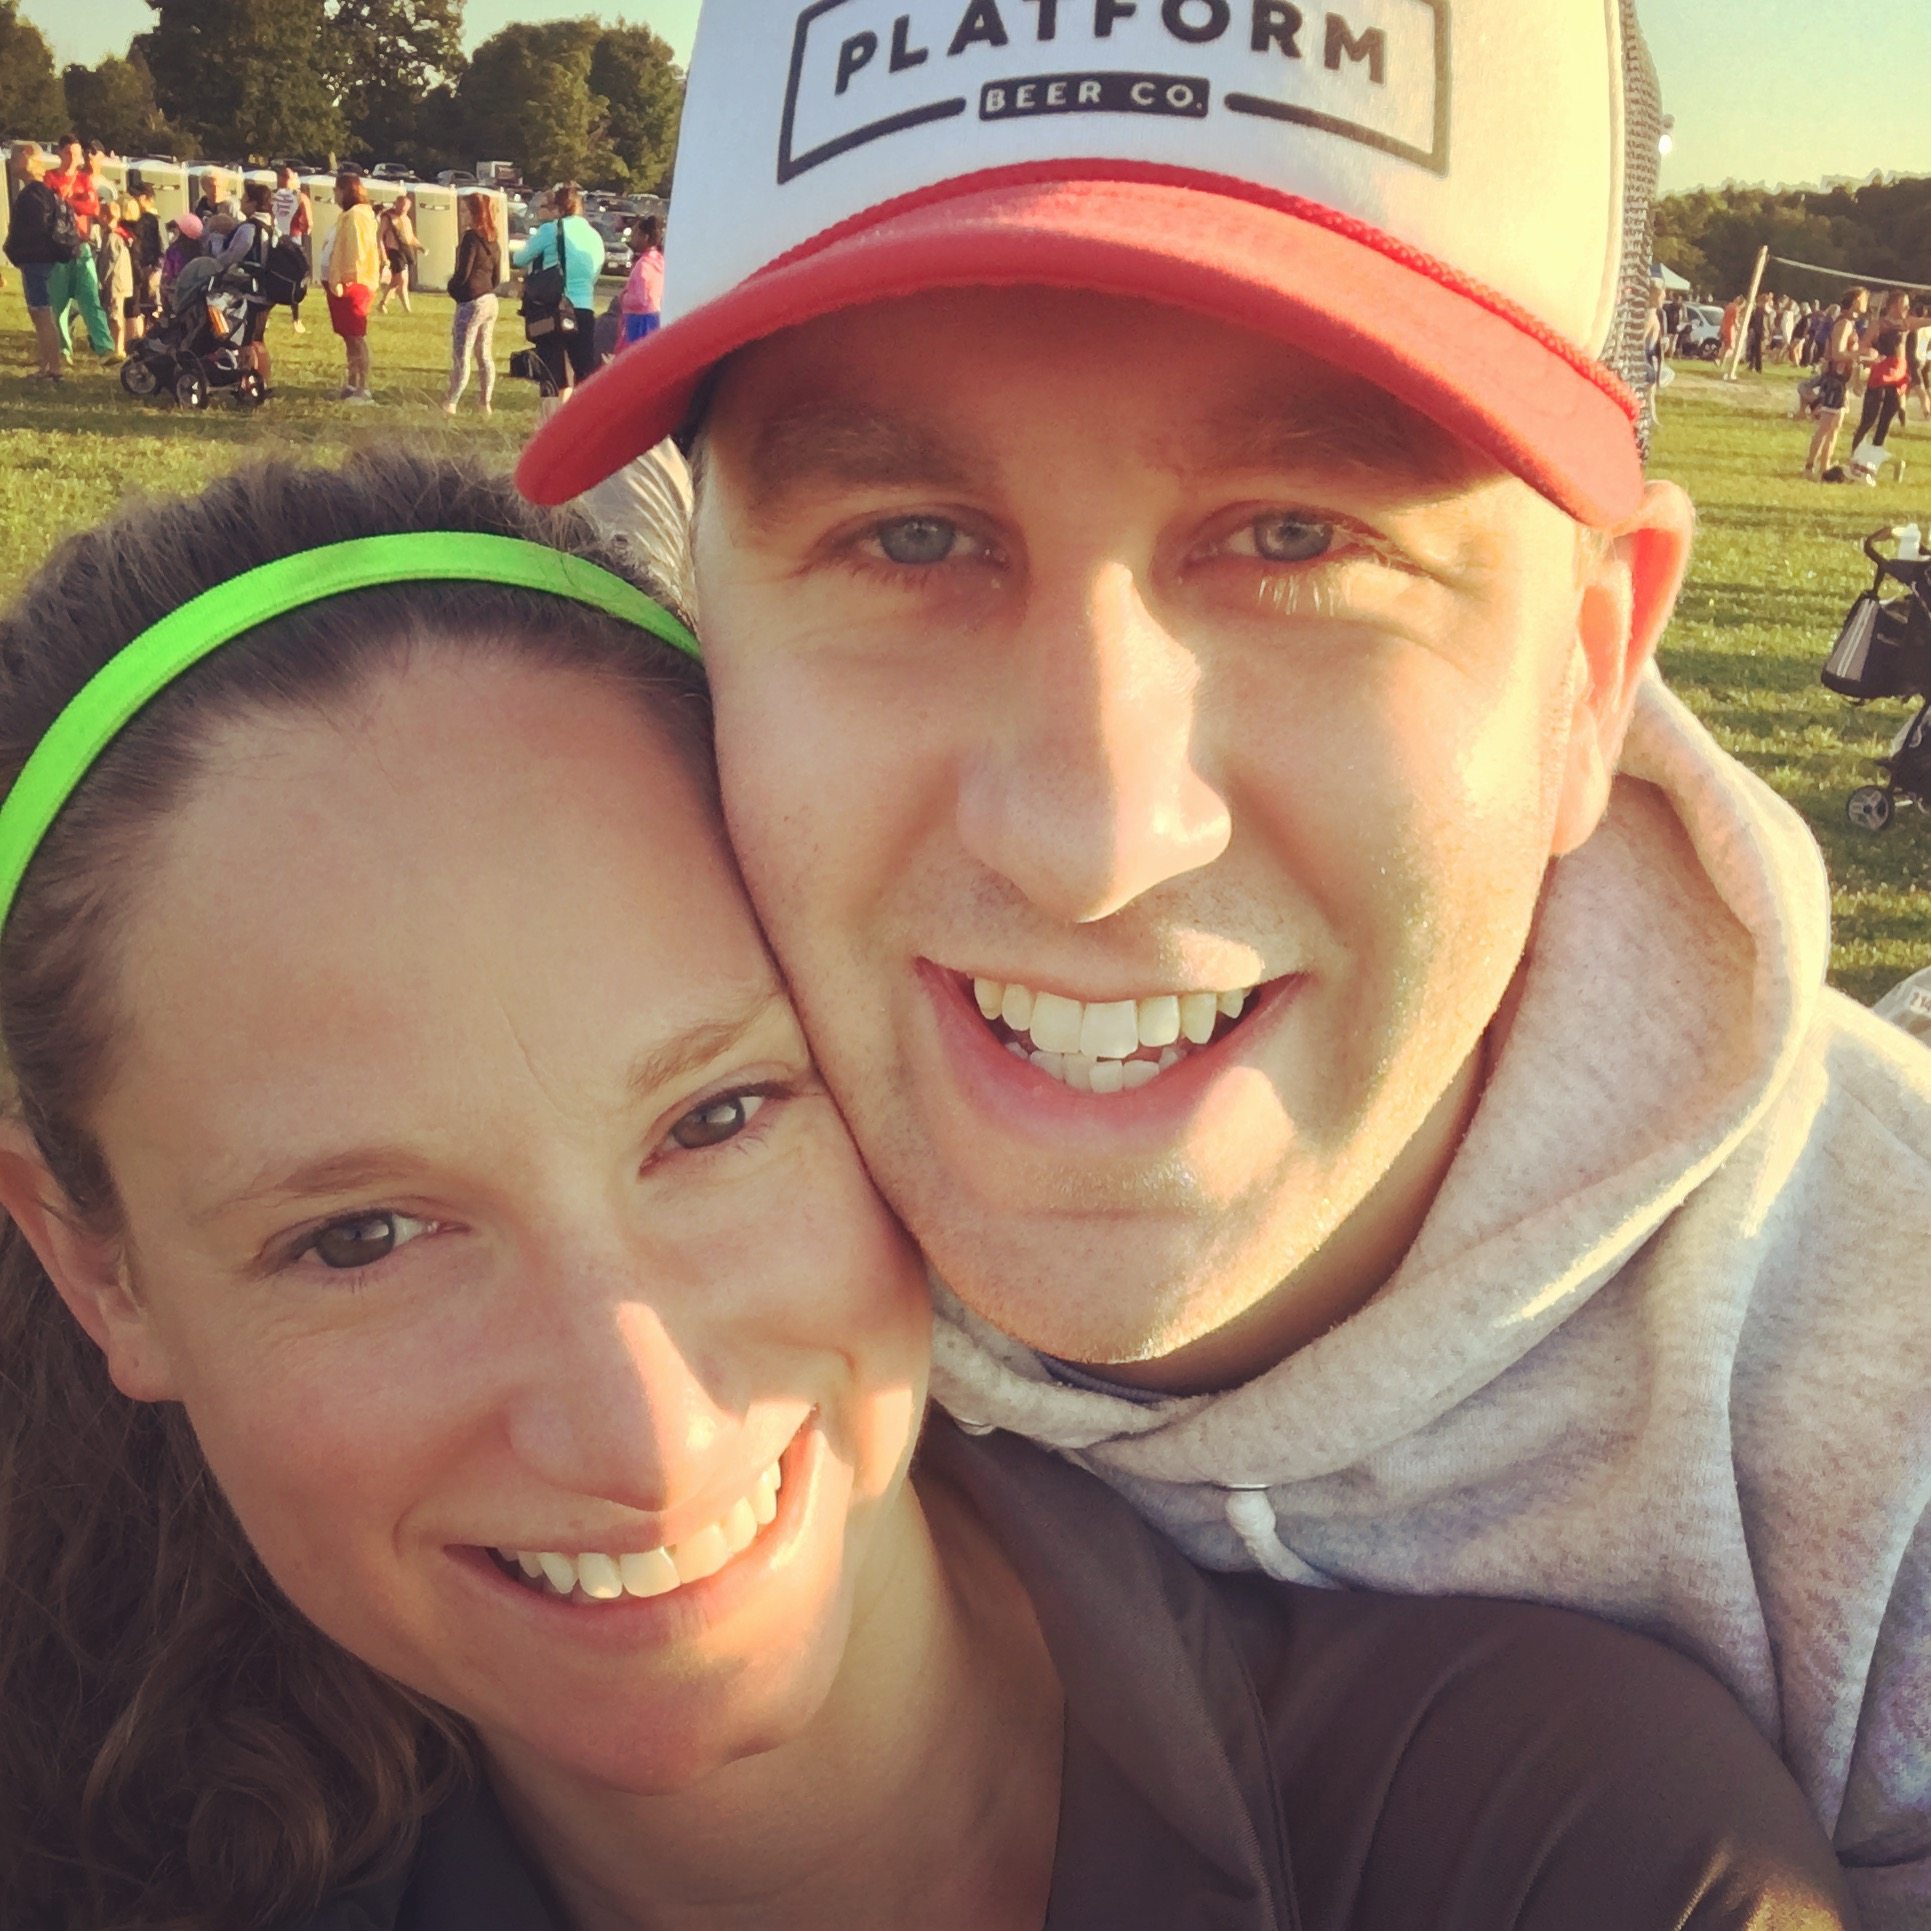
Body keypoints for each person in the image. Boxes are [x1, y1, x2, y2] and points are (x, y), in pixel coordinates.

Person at [0, 449, 1857, 1931]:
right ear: (99, 1270)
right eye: (361, 1237)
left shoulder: (1556, 1847)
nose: (640, 1434)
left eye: (718, 1119)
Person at [519, 1, 1931, 1919]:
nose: (1091, 837)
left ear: (1588, 671)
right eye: (910, 537)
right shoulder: (517, 1190)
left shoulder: (1889, 1425)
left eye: (1295, 536)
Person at [512, 181, 604, 409]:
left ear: (559, 209)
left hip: (555, 307)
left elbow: (520, 258)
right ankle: (583, 416)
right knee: (584, 371)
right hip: (584, 307)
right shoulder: (594, 235)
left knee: (552, 373)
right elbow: (595, 270)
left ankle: (552, 420)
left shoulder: (551, 230)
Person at [2, 142, 77, 381]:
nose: (11, 163)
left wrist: (15, 251)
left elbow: (34, 231)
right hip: (39, 259)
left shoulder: (33, 195)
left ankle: (53, 368)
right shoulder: (42, 192)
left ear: (28, 157)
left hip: (35, 260)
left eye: (15, 158)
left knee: (41, 312)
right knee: (40, 313)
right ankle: (46, 365)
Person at [42, 134, 115, 364]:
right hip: (58, 247)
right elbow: (48, 205)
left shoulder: (84, 179)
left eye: (76, 153)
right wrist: (75, 201)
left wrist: (68, 201)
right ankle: (63, 350)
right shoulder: (50, 177)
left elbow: (92, 207)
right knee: (58, 303)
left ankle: (105, 348)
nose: (74, 158)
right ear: (60, 153)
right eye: (69, 153)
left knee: (91, 297)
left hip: (82, 244)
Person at [1846, 289, 1925, 482]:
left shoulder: (1907, 323)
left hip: (1898, 375)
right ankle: (1855, 458)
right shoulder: (1879, 324)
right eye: (1904, 304)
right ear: (1894, 305)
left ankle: (1871, 460)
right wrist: (1871, 353)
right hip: (1882, 372)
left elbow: (1926, 322)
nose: (1907, 308)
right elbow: (1863, 346)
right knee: (1869, 418)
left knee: (1887, 418)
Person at [214, 179, 278, 394]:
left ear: (253, 203)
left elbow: (232, 256)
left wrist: (215, 256)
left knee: (246, 341)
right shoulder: (273, 227)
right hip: (268, 291)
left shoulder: (249, 229)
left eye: (244, 199)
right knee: (258, 339)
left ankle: (248, 383)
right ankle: (263, 381)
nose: (240, 203)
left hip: (251, 292)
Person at [325, 169, 381, 404]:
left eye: (336, 190)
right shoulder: (348, 215)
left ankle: (363, 387)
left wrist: (346, 278)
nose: (335, 195)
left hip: (353, 283)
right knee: (349, 337)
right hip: (342, 282)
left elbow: (356, 250)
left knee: (356, 336)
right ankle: (351, 382)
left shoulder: (357, 216)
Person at [443, 191, 500, 416]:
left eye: (465, 211)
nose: (462, 215)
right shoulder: (493, 240)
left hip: (471, 301)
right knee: (484, 354)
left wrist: (453, 289)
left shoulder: (470, 238)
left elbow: (463, 273)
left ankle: (452, 402)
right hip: (490, 300)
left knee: (462, 354)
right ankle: (485, 402)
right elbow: (496, 277)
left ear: (475, 213)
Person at [1807, 287, 1868, 479]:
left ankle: (1825, 466)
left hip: (1841, 381)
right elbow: (1837, 353)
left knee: (1834, 427)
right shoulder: (1844, 324)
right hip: (1835, 381)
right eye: (1864, 299)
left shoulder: (1849, 323)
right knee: (1826, 427)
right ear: (1856, 301)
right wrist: (1860, 354)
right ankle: (1809, 467)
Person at [271, 164, 312, 333]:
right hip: (289, 237)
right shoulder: (300, 197)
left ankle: (292, 316)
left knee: (274, 272)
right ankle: (295, 318)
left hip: (277, 237)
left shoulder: (273, 196)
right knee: (293, 275)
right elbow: (309, 224)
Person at [619, 214, 665, 349]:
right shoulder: (660, 260)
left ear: (645, 237)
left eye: (635, 234)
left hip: (641, 321)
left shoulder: (644, 264)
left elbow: (641, 299)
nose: (632, 238)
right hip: (656, 316)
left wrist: (624, 297)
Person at [127, 183, 164, 343]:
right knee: (138, 306)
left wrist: (157, 270)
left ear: (144, 198)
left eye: (135, 196)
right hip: (137, 268)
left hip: (150, 267)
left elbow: (162, 247)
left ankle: (151, 339)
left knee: (151, 306)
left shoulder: (154, 220)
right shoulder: (134, 219)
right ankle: (139, 340)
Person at [375, 191, 419, 315]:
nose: (403, 208)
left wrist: (421, 247)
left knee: (399, 281)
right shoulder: (388, 217)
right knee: (402, 279)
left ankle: (384, 304)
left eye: (406, 206)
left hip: (405, 251)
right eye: (401, 205)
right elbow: (379, 236)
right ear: (396, 204)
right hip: (393, 251)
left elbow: (410, 238)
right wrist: (383, 255)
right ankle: (406, 309)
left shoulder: (406, 220)